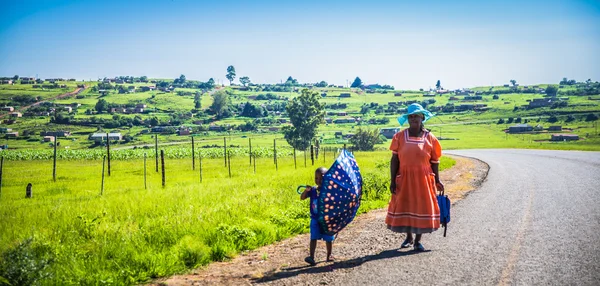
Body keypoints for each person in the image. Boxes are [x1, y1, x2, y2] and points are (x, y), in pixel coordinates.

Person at [386, 103, 445, 252]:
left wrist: (437, 180)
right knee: (406, 205)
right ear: (408, 119)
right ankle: (408, 237)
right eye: (411, 117)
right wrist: (393, 180)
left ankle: (418, 241)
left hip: (424, 179)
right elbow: (395, 160)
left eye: (416, 116)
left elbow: (435, 162)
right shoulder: (400, 137)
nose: (413, 119)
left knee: (421, 207)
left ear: (422, 118)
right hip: (404, 178)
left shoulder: (430, 138)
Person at [300, 167, 334, 266]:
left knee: (328, 238)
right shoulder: (313, 190)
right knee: (313, 237)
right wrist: (306, 191)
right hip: (315, 218)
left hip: (327, 219)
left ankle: (329, 255)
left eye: (321, 178)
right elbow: (302, 197)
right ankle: (311, 257)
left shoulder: (329, 190)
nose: (318, 180)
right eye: (316, 178)